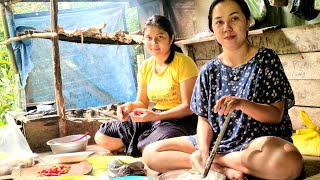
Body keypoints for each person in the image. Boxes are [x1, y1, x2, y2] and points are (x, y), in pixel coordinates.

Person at [142, 0, 304, 179]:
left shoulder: (266, 60)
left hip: (255, 143)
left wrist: (242, 104)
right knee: (151, 152)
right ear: (212, 28)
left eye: (234, 18)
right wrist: (203, 150)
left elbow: (275, 115)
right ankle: (220, 168)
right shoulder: (208, 70)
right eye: (219, 21)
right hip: (217, 141)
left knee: (290, 162)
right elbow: (203, 119)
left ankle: (217, 162)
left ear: (248, 20)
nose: (227, 27)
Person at [94, 15, 199, 157]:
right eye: (149, 38)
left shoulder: (184, 63)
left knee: (155, 146)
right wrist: (129, 107)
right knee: (102, 136)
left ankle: (140, 146)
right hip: (154, 117)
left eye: (160, 37)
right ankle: (142, 145)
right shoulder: (145, 66)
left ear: (171, 38)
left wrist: (156, 116)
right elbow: (142, 102)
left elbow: (189, 107)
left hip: (180, 120)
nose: (153, 43)